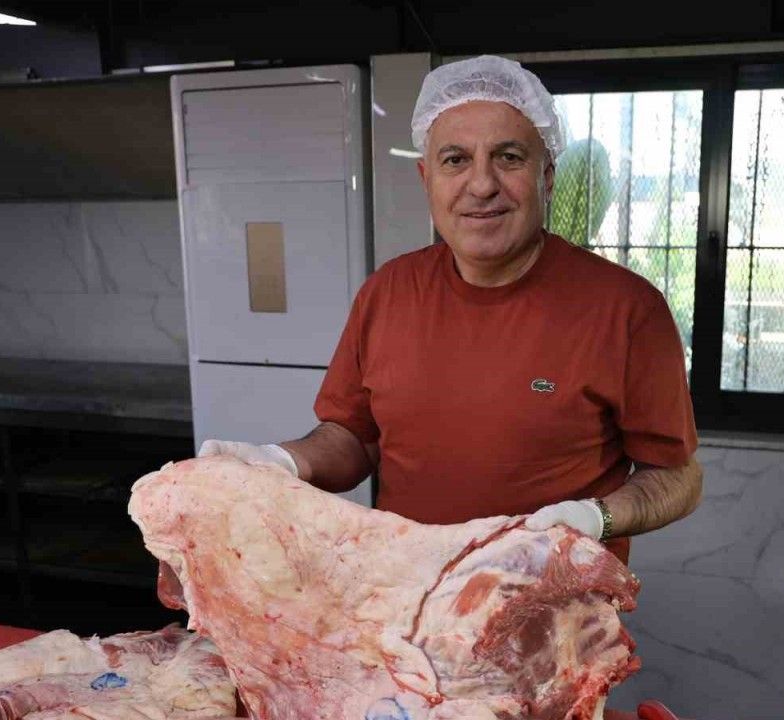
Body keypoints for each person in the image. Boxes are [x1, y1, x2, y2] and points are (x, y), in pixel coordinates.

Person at [200, 55, 702, 562]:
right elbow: (355, 437)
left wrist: (597, 517)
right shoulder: (387, 293)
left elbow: (677, 476)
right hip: (405, 595)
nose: (481, 185)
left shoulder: (627, 310)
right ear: (427, 179)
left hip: (554, 599)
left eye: (509, 157)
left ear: (547, 177)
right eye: (456, 160)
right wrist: (285, 461)